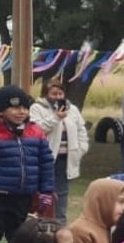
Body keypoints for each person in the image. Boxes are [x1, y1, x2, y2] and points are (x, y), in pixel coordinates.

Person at [0, 85, 56, 243]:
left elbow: (46, 164)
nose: (22, 112)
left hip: (23, 197)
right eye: (15, 107)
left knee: (19, 237)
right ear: (1, 110)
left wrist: (46, 192)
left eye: (25, 107)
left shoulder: (35, 132)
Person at [31, 81, 90, 222]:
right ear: (46, 94)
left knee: (62, 195)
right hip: (46, 158)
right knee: (45, 194)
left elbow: (81, 130)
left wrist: (81, 149)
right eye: (53, 94)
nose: (57, 97)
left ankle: (60, 227)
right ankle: (42, 225)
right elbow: (37, 130)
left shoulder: (73, 109)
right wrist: (56, 117)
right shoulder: (37, 108)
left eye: (60, 93)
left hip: (66, 158)